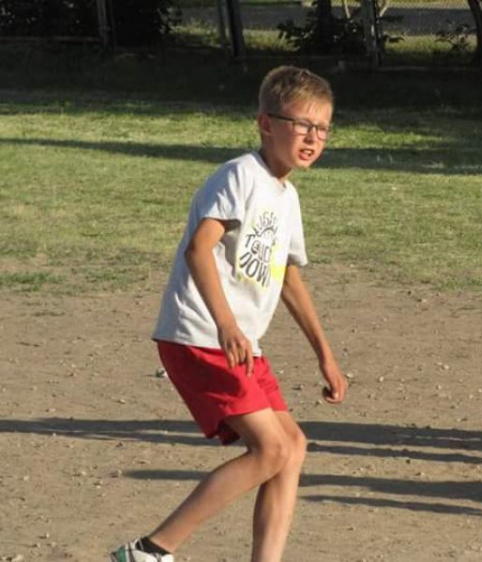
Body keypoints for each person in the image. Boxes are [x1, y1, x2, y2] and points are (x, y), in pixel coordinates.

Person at [110, 66, 347, 562]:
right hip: (200, 333)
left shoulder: (287, 195)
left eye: (323, 128)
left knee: (292, 446)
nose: (313, 137)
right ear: (265, 123)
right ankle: (150, 552)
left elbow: (285, 276)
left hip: (237, 342)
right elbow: (200, 250)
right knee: (270, 449)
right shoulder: (241, 175)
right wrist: (226, 325)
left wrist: (324, 353)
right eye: (302, 124)